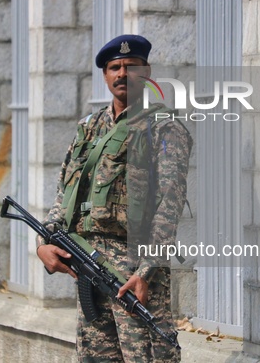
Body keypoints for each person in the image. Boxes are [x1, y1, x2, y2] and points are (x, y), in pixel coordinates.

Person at [37, 34, 192, 362]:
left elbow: (169, 205)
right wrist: (43, 243)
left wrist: (146, 271)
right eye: (115, 67)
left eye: (131, 67)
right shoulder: (88, 129)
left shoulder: (164, 129)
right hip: (88, 262)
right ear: (105, 75)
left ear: (146, 72)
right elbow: (64, 195)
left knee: (148, 356)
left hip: (133, 274)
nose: (123, 74)